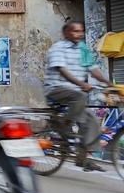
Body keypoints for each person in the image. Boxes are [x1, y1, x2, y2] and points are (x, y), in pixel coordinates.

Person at [44, 21, 112, 172]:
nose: (79, 34)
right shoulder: (57, 48)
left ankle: (83, 159)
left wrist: (108, 83)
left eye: (81, 31)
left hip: (75, 94)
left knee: (91, 120)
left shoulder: (83, 49)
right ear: (66, 33)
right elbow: (62, 70)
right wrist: (81, 83)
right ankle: (64, 123)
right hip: (56, 90)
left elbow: (93, 69)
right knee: (80, 97)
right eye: (75, 31)